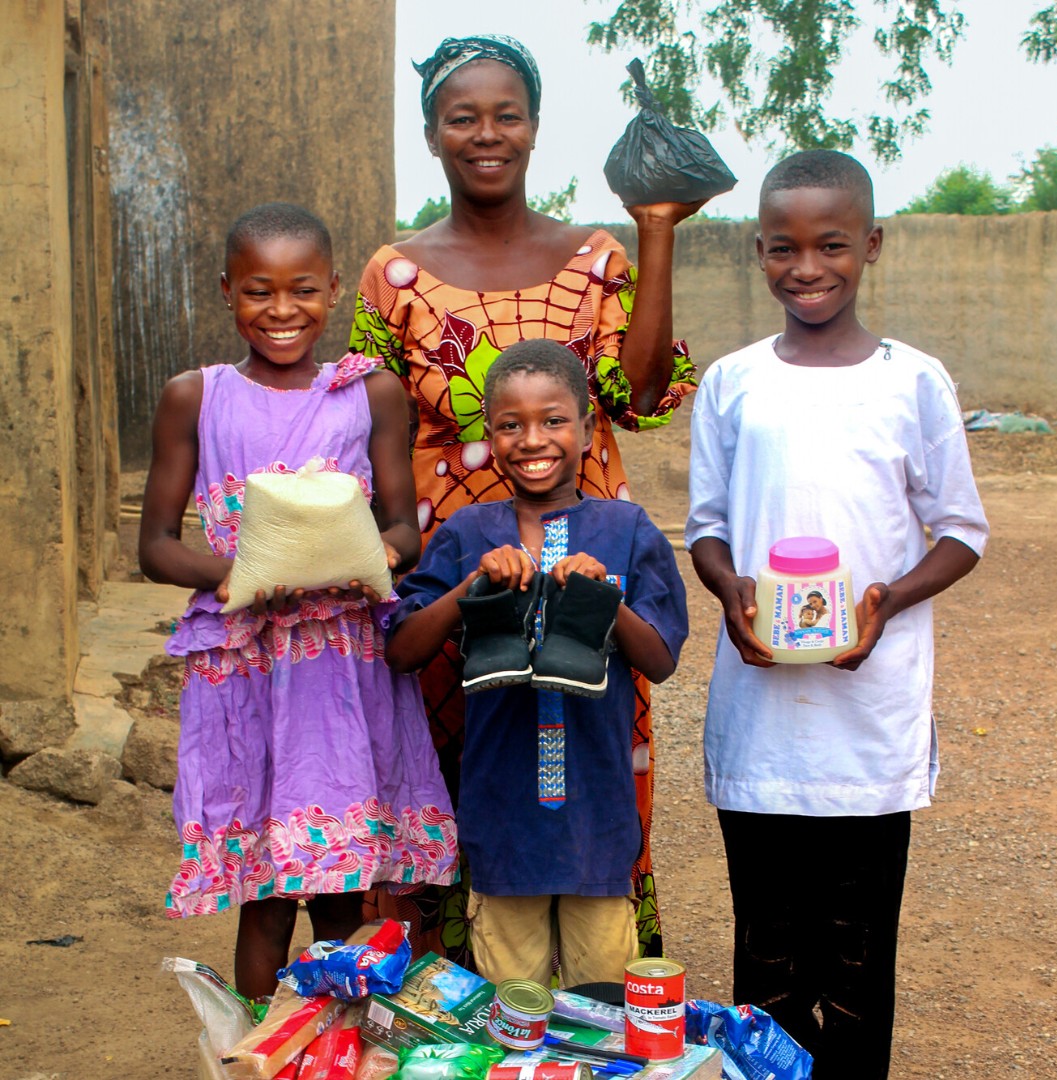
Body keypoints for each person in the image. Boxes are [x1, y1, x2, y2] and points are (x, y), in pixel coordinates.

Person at [348, 33, 707, 963]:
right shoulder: (392, 275)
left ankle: (598, 973)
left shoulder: (592, 260)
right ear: (432, 134)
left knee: (584, 745)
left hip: (583, 552)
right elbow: (364, 425)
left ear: (536, 128)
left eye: (507, 114)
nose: (486, 133)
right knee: (461, 757)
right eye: (462, 117)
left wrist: (654, 234)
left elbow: (642, 397)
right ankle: (460, 994)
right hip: (453, 554)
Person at [685, 150, 989, 1079]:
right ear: (759, 252)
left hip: (868, 716)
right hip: (762, 716)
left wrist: (886, 603)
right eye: (783, 248)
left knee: (858, 955)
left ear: (872, 244)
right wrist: (729, 590)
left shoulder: (912, 382)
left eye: (830, 245)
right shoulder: (733, 383)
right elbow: (707, 527)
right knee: (766, 954)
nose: (807, 267)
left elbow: (961, 529)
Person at [138, 202, 458, 1000]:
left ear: (333, 290)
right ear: (227, 292)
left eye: (302, 290)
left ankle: (338, 1047)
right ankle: (260, 1048)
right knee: (267, 896)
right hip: (245, 663)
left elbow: (403, 530)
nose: (282, 312)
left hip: (341, 668)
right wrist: (242, 574)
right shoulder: (196, 397)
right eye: (258, 292)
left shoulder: (369, 395)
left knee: (344, 887)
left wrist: (376, 555)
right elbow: (152, 545)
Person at [386, 340, 689, 985]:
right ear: (490, 436)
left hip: (597, 818)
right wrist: (471, 588)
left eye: (553, 421)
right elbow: (403, 649)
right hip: (502, 815)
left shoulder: (627, 529)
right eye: (510, 425)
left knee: (602, 1010)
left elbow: (660, 660)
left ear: (586, 428)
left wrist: (603, 600)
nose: (533, 440)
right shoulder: (468, 532)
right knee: (511, 1010)